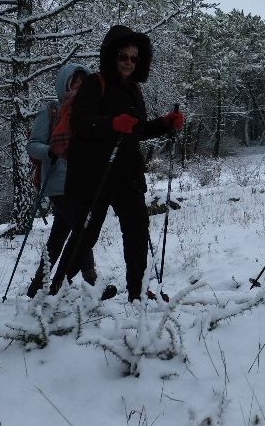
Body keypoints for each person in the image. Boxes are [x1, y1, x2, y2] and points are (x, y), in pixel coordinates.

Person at [54, 24, 185, 301]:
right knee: (85, 237)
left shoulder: (134, 90)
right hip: (93, 176)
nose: (128, 63)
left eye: (134, 58)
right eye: (123, 56)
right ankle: (52, 291)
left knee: (137, 232)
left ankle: (136, 294)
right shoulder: (95, 83)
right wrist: (112, 123)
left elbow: (135, 132)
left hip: (126, 175)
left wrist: (164, 123)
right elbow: (82, 123)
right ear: (111, 56)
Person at [24, 63, 97, 297]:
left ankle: (38, 287)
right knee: (82, 228)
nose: (78, 86)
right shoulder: (51, 111)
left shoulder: (87, 113)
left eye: (82, 83)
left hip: (81, 181)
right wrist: (51, 151)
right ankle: (90, 281)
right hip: (57, 183)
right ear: (64, 83)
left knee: (58, 238)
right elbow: (33, 146)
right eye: (74, 82)